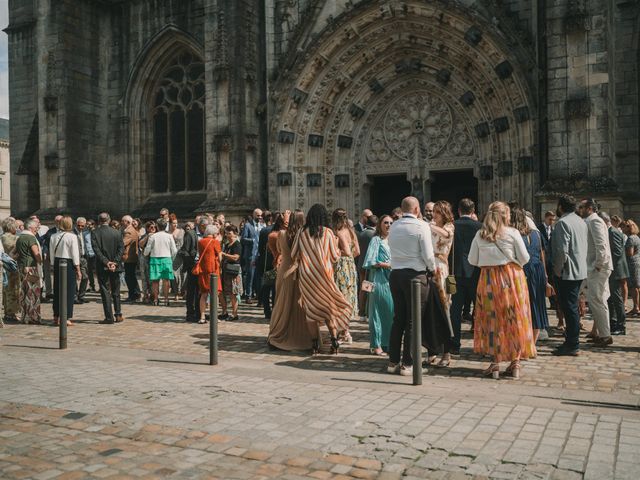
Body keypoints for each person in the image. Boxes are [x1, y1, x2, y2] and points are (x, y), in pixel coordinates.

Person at [469, 201, 535, 379]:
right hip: (512, 278)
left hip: (488, 279)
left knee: (492, 321)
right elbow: (525, 257)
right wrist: (513, 262)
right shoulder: (512, 232)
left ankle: (495, 364)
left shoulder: (480, 234)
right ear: (505, 215)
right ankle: (515, 364)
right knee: (515, 318)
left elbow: (472, 260)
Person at [292, 203, 351, 354]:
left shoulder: (301, 232)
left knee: (310, 312)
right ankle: (334, 342)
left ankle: (314, 346)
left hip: (307, 277)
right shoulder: (328, 233)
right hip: (325, 275)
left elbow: (293, 254)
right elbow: (335, 256)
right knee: (329, 308)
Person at [387, 196, 436, 376]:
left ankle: (392, 361)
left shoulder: (394, 226)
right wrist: (433, 269)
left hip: (396, 274)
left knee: (398, 318)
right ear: (416, 209)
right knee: (412, 320)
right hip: (415, 276)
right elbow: (428, 255)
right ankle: (407, 364)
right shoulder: (421, 226)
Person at [268, 210, 320, 351]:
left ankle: (278, 332)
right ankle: (305, 336)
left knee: (282, 302)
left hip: (285, 269)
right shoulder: (305, 235)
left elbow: (279, 251)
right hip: (302, 270)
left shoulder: (282, 234)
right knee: (300, 303)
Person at [551, 194, 588, 356]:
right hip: (579, 270)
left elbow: (561, 251)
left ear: (560, 207)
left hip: (567, 272)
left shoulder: (563, 223)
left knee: (570, 308)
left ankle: (573, 344)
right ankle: (570, 341)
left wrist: (557, 271)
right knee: (571, 307)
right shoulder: (581, 221)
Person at [578, 198, 613, 347]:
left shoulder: (595, 221)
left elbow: (601, 246)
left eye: (582, 207)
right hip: (595, 267)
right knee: (599, 300)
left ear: (590, 208)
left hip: (599, 268)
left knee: (597, 301)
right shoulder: (590, 221)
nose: (579, 209)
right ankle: (601, 333)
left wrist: (597, 266)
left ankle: (605, 336)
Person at [512, 208, 550, 343]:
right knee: (537, 304)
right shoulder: (537, 234)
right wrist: (545, 275)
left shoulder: (515, 235)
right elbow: (542, 254)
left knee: (523, 304)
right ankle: (533, 343)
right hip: (538, 269)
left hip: (524, 270)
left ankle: (523, 340)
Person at [449, 198, 481, 355]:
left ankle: (454, 344)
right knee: (480, 309)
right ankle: (481, 344)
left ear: (459, 211)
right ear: (473, 211)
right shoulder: (480, 227)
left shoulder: (452, 226)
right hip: (476, 272)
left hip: (455, 272)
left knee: (455, 309)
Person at [362, 214, 394, 356]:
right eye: (386, 222)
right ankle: (376, 344)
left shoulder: (394, 240)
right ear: (380, 224)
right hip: (378, 279)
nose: (388, 225)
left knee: (390, 312)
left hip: (392, 280)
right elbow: (370, 261)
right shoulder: (376, 240)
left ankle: (387, 343)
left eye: (391, 223)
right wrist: (386, 265)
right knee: (376, 312)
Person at [429, 201, 455, 367]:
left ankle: (447, 352)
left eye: (438, 212)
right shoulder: (430, 225)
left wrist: (427, 226)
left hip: (441, 269)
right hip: (428, 267)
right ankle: (431, 349)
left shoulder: (449, 226)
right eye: (434, 212)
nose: (434, 215)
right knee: (429, 310)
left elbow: (446, 235)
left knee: (444, 310)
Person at [332, 208, 360, 344]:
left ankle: (344, 333)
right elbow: (357, 252)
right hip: (351, 267)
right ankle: (345, 331)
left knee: (341, 298)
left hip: (342, 267)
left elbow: (348, 252)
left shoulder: (339, 233)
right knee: (348, 298)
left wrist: (336, 252)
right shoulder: (351, 231)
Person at [92, 212, 125, 324]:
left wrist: (107, 262)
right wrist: (114, 262)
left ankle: (109, 317)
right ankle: (118, 313)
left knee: (105, 291)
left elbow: (97, 251)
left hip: (103, 266)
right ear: (109, 220)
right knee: (116, 290)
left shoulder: (95, 232)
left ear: (99, 220)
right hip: (114, 266)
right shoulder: (117, 232)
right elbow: (121, 249)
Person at [600, 212, 628, 335]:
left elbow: (617, 252)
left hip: (615, 270)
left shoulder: (613, 232)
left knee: (617, 298)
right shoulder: (611, 232)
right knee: (611, 297)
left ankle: (621, 325)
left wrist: (606, 264)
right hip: (613, 269)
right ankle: (614, 321)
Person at [49, 216, 82, 326]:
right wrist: (78, 269)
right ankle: (66, 317)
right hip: (68, 264)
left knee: (58, 290)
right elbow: (75, 254)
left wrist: (53, 265)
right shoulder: (72, 237)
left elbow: (51, 253)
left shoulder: (53, 236)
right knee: (69, 291)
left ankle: (56, 316)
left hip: (57, 262)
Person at [144, 217, 178, 306]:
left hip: (155, 259)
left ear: (158, 227)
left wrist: (146, 253)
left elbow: (147, 250)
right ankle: (166, 299)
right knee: (166, 281)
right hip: (167, 258)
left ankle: (155, 299)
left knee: (155, 281)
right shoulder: (170, 236)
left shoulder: (153, 236)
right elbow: (174, 250)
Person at [15, 218, 43, 324]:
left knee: (24, 293)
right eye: (36, 228)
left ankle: (25, 316)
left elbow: (14, 253)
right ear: (30, 228)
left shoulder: (20, 237)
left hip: (22, 267)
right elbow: (36, 254)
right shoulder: (30, 238)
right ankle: (33, 317)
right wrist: (41, 261)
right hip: (31, 268)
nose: (37, 230)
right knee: (33, 294)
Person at [194, 224, 222, 324]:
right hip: (213, 270)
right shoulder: (215, 242)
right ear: (213, 233)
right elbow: (220, 257)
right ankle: (214, 316)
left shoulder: (200, 242)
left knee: (204, 294)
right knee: (215, 294)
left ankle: (202, 316)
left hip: (203, 270)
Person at [220, 224, 243, 321]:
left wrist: (224, 254)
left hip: (233, 271)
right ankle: (227, 312)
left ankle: (235, 314)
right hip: (227, 271)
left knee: (234, 293)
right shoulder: (227, 244)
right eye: (226, 233)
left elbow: (236, 257)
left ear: (235, 234)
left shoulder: (237, 244)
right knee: (228, 293)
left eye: (229, 233)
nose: (227, 235)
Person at [240, 208, 264, 302]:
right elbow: (243, 239)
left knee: (258, 276)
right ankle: (248, 295)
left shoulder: (262, 226)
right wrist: (253, 241)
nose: (260, 217)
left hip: (259, 254)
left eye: (261, 215)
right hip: (251, 254)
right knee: (250, 275)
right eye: (258, 215)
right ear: (254, 215)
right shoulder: (248, 226)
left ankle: (259, 295)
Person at [179, 218, 200, 322]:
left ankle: (199, 312)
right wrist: (190, 265)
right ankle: (190, 313)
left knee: (200, 291)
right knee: (191, 291)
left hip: (202, 266)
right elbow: (185, 251)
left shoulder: (207, 233)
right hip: (193, 266)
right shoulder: (190, 233)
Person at [356, 214, 377, 318]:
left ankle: (361, 311)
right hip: (369, 266)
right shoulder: (373, 234)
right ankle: (366, 311)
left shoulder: (361, 233)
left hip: (361, 264)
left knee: (362, 287)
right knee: (368, 288)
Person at [1, 218, 21, 323]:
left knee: (7, 290)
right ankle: (10, 313)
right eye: (15, 226)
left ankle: (9, 312)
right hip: (12, 266)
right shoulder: (12, 238)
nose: (17, 228)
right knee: (12, 290)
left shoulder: (2, 237)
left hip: (5, 266)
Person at [256, 211, 275, 317]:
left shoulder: (264, 231)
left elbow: (260, 249)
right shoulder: (278, 231)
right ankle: (275, 309)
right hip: (276, 262)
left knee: (266, 287)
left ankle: (267, 311)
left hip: (265, 262)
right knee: (275, 288)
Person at [622, 220, 640, 316]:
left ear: (629, 228)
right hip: (636, 263)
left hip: (632, 264)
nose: (623, 228)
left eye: (625, 226)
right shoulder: (636, 237)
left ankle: (636, 307)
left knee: (634, 286)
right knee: (636, 286)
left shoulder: (631, 239)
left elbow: (630, 253)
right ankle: (636, 307)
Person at [121, 215, 140, 303]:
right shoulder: (132, 230)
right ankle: (135, 294)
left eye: (123, 221)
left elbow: (122, 243)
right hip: (132, 257)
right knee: (131, 276)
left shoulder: (129, 231)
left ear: (128, 222)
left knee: (129, 277)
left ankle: (133, 295)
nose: (121, 223)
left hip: (129, 257)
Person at [138, 221, 156, 303]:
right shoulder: (144, 236)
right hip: (144, 258)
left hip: (154, 258)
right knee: (144, 277)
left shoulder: (157, 236)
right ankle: (145, 295)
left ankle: (153, 295)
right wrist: (148, 237)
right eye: (151, 227)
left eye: (154, 227)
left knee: (152, 278)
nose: (153, 229)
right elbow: (140, 244)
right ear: (147, 228)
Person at [169, 214, 185, 299]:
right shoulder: (167, 233)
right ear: (170, 224)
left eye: (176, 223)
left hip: (180, 254)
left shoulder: (181, 231)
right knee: (173, 274)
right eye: (173, 223)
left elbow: (184, 243)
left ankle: (181, 291)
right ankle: (176, 292)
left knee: (182, 274)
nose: (175, 225)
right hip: (171, 255)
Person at [85, 219, 97, 292]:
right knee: (89, 272)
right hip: (88, 255)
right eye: (87, 224)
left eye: (89, 224)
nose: (87, 225)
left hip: (96, 255)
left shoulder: (97, 232)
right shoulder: (85, 233)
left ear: (93, 225)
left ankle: (101, 287)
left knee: (98, 272)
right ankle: (92, 286)